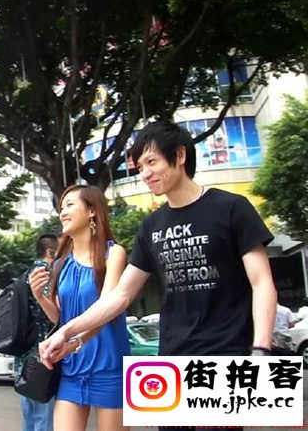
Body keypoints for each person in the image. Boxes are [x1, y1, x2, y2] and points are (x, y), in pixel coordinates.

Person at [39, 122, 277, 431]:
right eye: (140, 167)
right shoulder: (152, 226)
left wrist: (261, 349)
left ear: (180, 156)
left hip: (225, 354)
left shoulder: (231, 207)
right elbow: (121, 295)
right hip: (171, 359)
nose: (145, 173)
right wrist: (67, 332)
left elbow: (262, 283)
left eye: (152, 162)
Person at [29, 186, 129, 431]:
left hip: (110, 367)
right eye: (61, 208)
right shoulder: (61, 264)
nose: (62, 213)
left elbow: (107, 308)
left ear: (92, 210)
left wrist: (73, 340)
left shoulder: (113, 253)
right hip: (71, 367)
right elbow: (60, 318)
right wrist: (40, 297)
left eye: (70, 205)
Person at [15, 233, 58, 431]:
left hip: (22, 359)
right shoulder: (44, 273)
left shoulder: (24, 276)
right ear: (50, 252)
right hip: (41, 357)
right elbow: (53, 315)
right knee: (43, 418)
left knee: (29, 418)